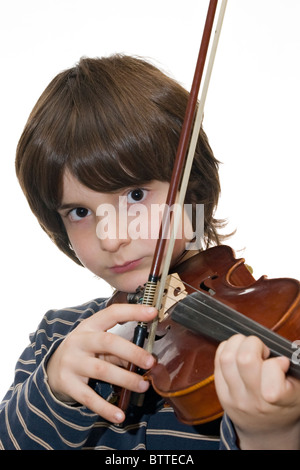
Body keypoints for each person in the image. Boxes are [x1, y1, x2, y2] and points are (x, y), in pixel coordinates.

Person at [0, 55, 299, 450]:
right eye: (80, 212)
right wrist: (54, 387)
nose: (110, 238)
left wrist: (272, 432)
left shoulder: (267, 330)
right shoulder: (57, 337)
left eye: (135, 195)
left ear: (189, 189)